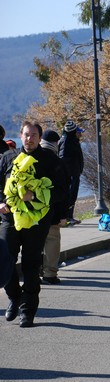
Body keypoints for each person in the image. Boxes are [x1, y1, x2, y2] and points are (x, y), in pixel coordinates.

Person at [0, 121, 67, 327]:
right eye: (27, 135)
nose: (30, 139)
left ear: (40, 138)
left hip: (37, 221)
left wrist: (36, 195)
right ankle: (14, 297)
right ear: (21, 136)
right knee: (4, 260)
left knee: (31, 265)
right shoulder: (8, 157)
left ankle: (28, 310)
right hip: (9, 218)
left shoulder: (51, 160)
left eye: (34, 135)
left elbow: (61, 191)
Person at [40, 130, 69, 285]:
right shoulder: (57, 162)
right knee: (52, 239)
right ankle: (49, 273)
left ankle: (34, 269)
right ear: (56, 143)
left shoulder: (31, 158)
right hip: (53, 208)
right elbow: (64, 190)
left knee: (35, 240)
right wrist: (64, 214)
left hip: (32, 210)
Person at [58, 120, 84, 225]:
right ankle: (67, 217)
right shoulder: (67, 141)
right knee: (70, 195)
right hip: (71, 174)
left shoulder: (72, 141)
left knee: (72, 195)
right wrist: (70, 172)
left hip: (74, 172)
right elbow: (63, 158)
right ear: (73, 132)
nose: (80, 134)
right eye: (78, 132)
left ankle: (69, 216)